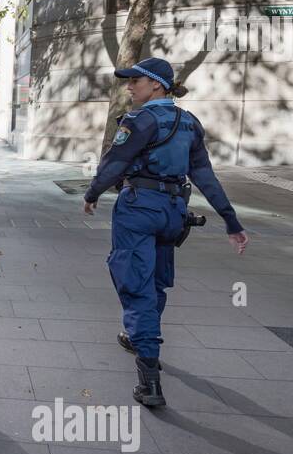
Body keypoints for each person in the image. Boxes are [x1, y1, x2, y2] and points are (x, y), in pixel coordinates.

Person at [82, 57, 249, 409]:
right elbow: (205, 176)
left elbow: (115, 163)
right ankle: (138, 335)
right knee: (155, 281)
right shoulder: (189, 122)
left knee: (134, 281)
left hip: (139, 209)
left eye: (136, 81)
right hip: (173, 211)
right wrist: (231, 221)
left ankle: (149, 378)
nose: (130, 87)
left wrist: (93, 193)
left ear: (156, 84)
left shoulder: (140, 121)